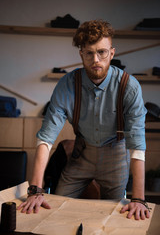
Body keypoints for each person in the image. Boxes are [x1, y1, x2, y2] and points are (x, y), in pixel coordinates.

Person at [17, 19, 150, 220]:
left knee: (114, 216)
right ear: (81, 54)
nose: (96, 59)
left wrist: (139, 199)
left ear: (112, 53)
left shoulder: (128, 86)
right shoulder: (67, 84)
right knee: (54, 208)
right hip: (82, 154)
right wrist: (35, 189)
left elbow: (137, 144)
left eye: (101, 52)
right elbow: (46, 137)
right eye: (89, 53)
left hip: (116, 157)